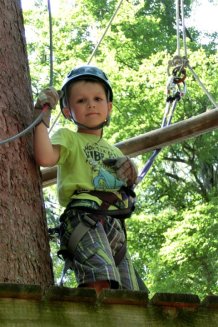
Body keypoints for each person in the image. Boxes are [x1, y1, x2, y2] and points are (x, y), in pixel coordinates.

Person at [34, 65, 141, 294]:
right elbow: (44, 156)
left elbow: (128, 185)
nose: (91, 104)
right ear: (67, 111)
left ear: (108, 107)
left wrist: (132, 173)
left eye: (97, 99)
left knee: (131, 294)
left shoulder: (114, 150)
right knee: (100, 281)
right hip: (84, 217)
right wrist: (41, 118)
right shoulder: (69, 137)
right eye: (81, 101)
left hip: (114, 223)